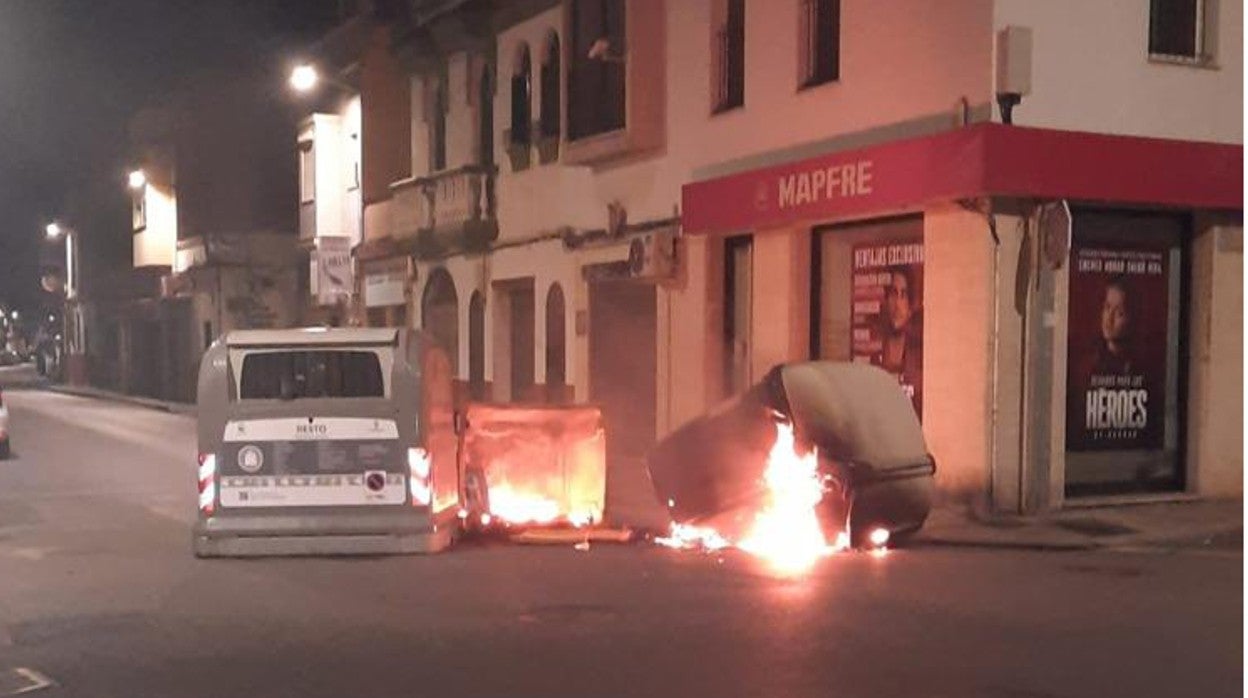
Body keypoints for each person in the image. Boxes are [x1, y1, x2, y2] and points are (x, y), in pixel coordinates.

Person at [877, 267, 922, 413]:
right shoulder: (875, 350)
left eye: (903, 295)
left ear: (910, 306)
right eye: (893, 294)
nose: (897, 304)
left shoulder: (920, 353)